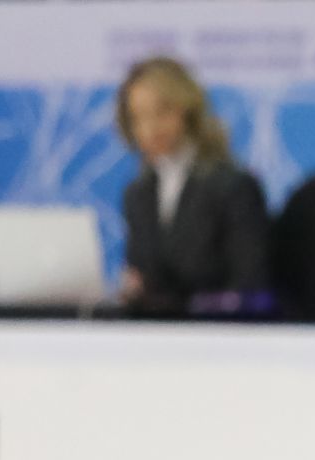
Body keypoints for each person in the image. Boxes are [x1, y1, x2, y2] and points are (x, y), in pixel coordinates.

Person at [116, 57, 272, 315]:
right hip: (156, 338)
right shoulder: (138, 194)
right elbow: (142, 275)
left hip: (222, 337)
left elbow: (250, 288)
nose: (150, 128)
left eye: (162, 112)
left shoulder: (232, 186)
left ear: (187, 109)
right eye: (139, 118)